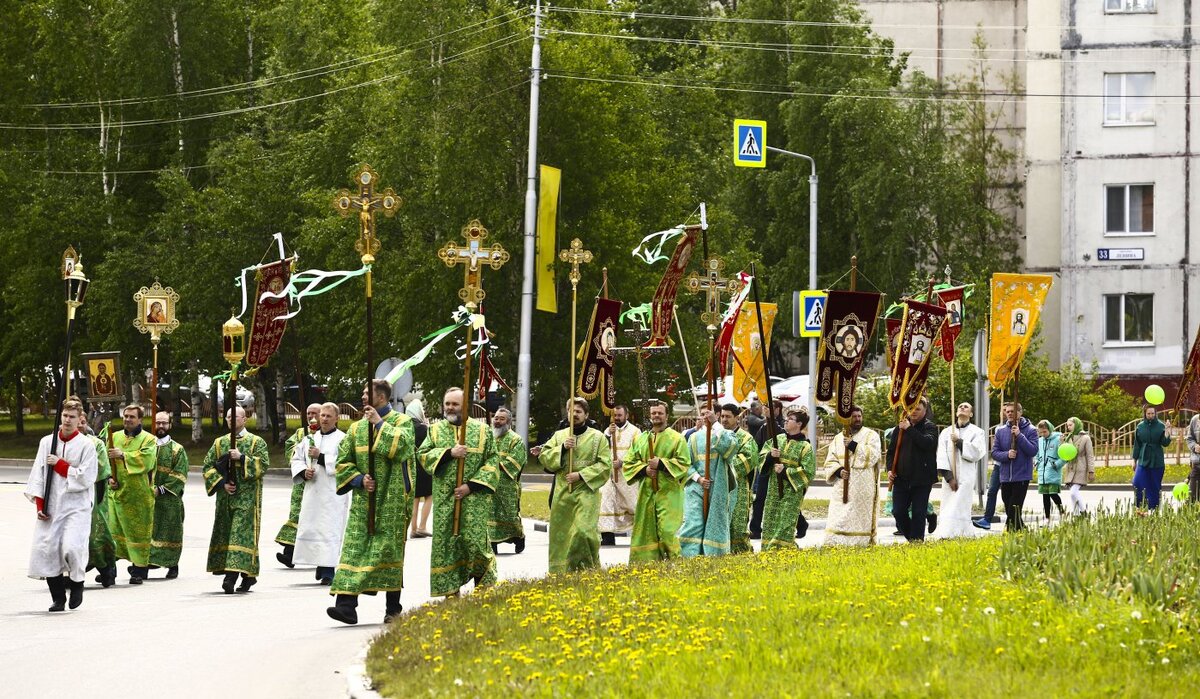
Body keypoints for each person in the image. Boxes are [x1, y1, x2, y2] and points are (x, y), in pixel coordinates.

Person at [327, 380, 416, 625]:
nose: (364, 396)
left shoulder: (401, 421)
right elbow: (343, 461)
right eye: (363, 392)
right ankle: (346, 606)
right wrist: (358, 479)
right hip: (364, 501)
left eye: (368, 393)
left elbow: (404, 447)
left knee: (388, 552)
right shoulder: (355, 429)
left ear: (382, 397)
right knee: (354, 550)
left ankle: (393, 609)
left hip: (392, 500)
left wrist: (378, 423)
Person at [417, 388, 499, 597]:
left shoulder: (483, 431)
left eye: (455, 404)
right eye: (447, 404)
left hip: (474, 499)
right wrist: (449, 453)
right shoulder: (434, 431)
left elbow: (492, 461)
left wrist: (470, 486)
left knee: (475, 544)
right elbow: (423, 455)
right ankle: (451, 594)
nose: (450, 408)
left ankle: (485, 592)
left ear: (465, 407)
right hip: (445, 499)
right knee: (447, 546)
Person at [26, 399, 97, 611]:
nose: (67, 420)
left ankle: (77, 583)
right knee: (48, 550)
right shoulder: (47, 442)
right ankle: (57, 598)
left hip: (76, 506)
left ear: (79, 420)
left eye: (72, 417)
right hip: (52, 506)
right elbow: (38, 474)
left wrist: (61, 465)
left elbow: (87, 477)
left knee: (72, 547)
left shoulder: (86, 445)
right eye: (64, 416)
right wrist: (40, 505)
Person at [535, 398, 612, 573]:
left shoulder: (598, 437)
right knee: (561, 536)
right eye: (571, 411)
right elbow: (544, 458)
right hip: (563, 493)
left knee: (583, 532)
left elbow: (605, 465)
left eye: (578, 411)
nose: (574, 414)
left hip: (586, 491)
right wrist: (562, 448)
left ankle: (585, 569)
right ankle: (562, 571)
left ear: (586, 414)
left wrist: (581, 475)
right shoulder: (559, 436)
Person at [202, 406, 271, 593]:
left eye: (236, 417)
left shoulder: (257, 442)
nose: (232, 420)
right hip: (225, 498)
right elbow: (207, 467)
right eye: (229, 417)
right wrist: (222, 483)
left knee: (240, 534)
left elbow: (262, 465)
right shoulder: (219, 443)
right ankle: (249, 575)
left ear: (245, 419)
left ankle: (230, 577)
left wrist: (241, 458)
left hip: (248, 499)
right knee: (227, 533)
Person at [622, 400, 691, 562]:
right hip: (646, 492)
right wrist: (645, 469)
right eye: (653, 413)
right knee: (646, 530)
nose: (656, 416)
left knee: (667, 529)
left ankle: (674, 561)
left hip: (669, 492)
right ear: (650, 416)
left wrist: (661, 464)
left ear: (667, 416)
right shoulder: (641, 439)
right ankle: (648, 562)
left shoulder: (677, 439)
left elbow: (684, 463)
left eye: (660, 413)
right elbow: (629, 463)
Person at [290, 403, 348, 585]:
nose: (323, 419)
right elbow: (296, 458)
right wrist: (302, 472)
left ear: (337, 418)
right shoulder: (309, 439)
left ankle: (328, 569)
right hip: (313, 491)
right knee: (313, 526)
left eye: (328, 416)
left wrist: (321, 457)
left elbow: (345, 463)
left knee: (329, 529)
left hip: (332, 493)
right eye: (322, 415)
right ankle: (320, 565)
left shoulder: (343, 439)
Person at [105, 404, 158, 584]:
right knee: (114, 532)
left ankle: (138, 570)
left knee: (138, 534)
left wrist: (123, 455)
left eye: (132, 417)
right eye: (125, 416)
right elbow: (105, 461)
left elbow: (148, 461)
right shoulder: (113, 437)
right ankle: (110, 573)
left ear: (140, 419)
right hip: (117, 494)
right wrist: (108, 478)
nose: (127, 419)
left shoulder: (149, 439)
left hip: (139, 496)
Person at [679, 407, 739, 557]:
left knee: (716, 523)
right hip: (696, 487)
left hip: (719, 486)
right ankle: (690, 556)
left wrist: (715, 423)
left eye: (709, 413)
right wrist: (698, 479)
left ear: (716, 414)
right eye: (703, 413)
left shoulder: (726, 433)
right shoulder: (693, 437)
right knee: (693, 522)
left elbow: (729, 449)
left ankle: (714, 555)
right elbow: (686, 462)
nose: (705, 416)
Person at [822, 406, 883, 546]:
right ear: (846, 419)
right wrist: (838, 471)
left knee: (858, 516)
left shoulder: (870, 435)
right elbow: (830, 460)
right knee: (839, 515)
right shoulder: (838, 438)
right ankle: (836, 542)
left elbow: (874, 456)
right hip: (841, 486)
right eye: (854, 416)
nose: (857, 419)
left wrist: (854, 445)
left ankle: (860, 542)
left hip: (862, 486)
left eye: (859, 416)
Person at [758, 407, 816, 551]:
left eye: (790, 419)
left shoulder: (805, 447)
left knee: (785, 522)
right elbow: (761, 458)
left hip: (791, 493)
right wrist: (770, 456)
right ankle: (768, 549)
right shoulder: (777, 440)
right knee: (771, 519)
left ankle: (781, 550)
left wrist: (786, 472)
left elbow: (809, 472)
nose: (786, 421)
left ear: (799, 424)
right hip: (773, 489)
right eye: (786, 418)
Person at [275, 403, 322, 569]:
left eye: (315, 413)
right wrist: (302, 466)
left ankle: (317, 556)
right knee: (297, 515)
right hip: (302, 482)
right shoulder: (301, 433)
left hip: (321, 483)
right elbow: (291, 451)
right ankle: (290, 553)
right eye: (309, 413)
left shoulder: (328, 432)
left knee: (316, 519)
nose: (311, 416)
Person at [887, 397, 939, 542]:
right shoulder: (900, 428)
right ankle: (913, 538)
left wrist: (909, 429)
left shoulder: (930, 427)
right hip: (901, 478)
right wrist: (890, 470)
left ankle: (917, 541)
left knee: (918, 512)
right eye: (911, 408)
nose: (914, 412)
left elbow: (927, 443)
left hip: (922, 479)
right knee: (898, 511)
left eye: (918, 409)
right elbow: (891, 452)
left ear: (925, 410)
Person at [932, 402, 988, 540]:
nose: (962, 408)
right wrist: (949, 477)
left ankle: (961, 533)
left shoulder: (977, 432)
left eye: (966, 407)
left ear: (971, 414)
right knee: (948, 503)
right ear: (956, 412)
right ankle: (946, 533)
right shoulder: (946, 432)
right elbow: (941, 455)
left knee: (960, 505)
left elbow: (977, 452)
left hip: (966, 476)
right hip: (949, 476)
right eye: (960, 407)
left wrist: (959, 442)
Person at [149, 411, 188, 579]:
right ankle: (147, 563)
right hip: (148, 498)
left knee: (170, 532)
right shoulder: (147, 446)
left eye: (164, 423)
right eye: (158, 423)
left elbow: (179, 474)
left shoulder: (177, 449)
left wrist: (161, 489)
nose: (161, 426)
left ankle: (172, 564)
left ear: (170, 425)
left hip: (169, 499)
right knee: (150, 531)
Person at [991, 402, 1038, 532]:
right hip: (1005, 476)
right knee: (1008, 507)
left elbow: (1033, 450)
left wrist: (1019, 435)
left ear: (1020, 412)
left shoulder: (1031, 430)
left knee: (1014, 507)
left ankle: (1010, 532)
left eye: (1013, 411)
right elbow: (994, 453)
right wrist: (1007, 454)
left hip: (1021, 475)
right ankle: (1022, 530)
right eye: (1008, 411)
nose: (1010, 413)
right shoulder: (1000, 431)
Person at [599, 404, 641, 547]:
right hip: (609, 475)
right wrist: (607, 435)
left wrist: (623, 462)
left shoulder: (635, 432)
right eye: (614, 416)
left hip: (627, 475)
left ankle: (638, 535)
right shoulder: (608, 430)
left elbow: (639, 452)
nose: (616, 418)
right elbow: (601, 448)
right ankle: (607, 536)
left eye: (619, 415)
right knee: (606, 503)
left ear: (626, 416)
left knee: (632, 504)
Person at [721, 404, 760, 553]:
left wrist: (722, 468)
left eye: (728, 416)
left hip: (738, 488)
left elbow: (748, 461)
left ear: (737, 418)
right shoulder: (717, 435)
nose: (724, 420)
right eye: (722, 416)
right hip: (718, 488)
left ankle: (741, 553)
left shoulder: (746, 438)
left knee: (737, 525)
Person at [81, 422, 116, 587]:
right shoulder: (59, 442)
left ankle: (106, 568)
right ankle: (68, 574)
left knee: (96, 535)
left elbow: (102, 469)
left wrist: (77, 472)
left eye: (81, 421)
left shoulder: (96, 443)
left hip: (94, 492)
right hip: (68, 495)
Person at [489, 407, 527, 554]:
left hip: (507, 486)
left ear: (509, 422)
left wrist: (494, 463)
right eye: (496, 418)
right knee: (489, 515)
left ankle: (519, 537)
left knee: (509, 515)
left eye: (501, 419)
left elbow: (516, 461)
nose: (497, 421)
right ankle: (492, 544)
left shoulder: (515, 440)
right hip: (489, 484)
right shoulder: (489, 437)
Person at [748, 399, 785, 538]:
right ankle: (755, 529)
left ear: (777, 410)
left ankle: (800, 524)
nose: (765, 410)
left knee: (781, 497)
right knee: (759, 499)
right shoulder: (764, 427)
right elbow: (757, 445)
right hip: (765, 467)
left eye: (770, 407)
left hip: (779, 469)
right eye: (765, 407)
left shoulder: (783, 425)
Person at [974, 403, 1013, 530]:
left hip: (1011, 467)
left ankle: (1012, 520)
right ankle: (987, 519)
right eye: (1003, 411)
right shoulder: (998, 429)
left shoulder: (1016, 428)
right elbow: (995, 449)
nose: (1004, 413)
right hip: (998, 466)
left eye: (1006, 411)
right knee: (992, 491)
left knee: (1008, 495)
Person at [1132, 405, 1172, 511]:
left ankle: (1154, 509)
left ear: (1155, 413)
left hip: (1157, 460)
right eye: (1148, 413)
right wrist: (1134, 460)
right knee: (1137, 482)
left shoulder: (1160, 426)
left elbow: (1165, 443)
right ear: (1145, 414)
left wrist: (1167, 431)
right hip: (1143, 459)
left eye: (1152, 413)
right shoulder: (1140, 426)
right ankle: (1140, 507)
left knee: (1154, 486)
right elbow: (1137, 444)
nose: (1150, 416)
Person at [406, 398, 433, 538]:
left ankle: (413, 528)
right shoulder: (423, 428)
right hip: (424, 465)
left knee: (415, 498)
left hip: (411, 466)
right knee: (429, 495)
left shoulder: (405, 427)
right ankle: (422, 526)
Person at [1062, 417, 1096, 515]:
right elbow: (1065, 453)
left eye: (1070, 425)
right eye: (1067, 425)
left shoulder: (1085, 438)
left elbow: (1090, 456)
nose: (1068, 427)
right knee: (1072, 494)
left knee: (1073, 491)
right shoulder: (1068, 438)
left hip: (1081, 467)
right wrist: (1061, 443)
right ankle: (1076, 515)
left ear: (1076, 424)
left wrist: (1091, 471)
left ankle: (1084, 512)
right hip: (1070, 468)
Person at [1035, 420, 1065, 521]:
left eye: (1045, 432)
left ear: (1050, 429)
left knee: (1053, 493)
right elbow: (1037, 454)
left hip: (1053, 471)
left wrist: (1056, 465)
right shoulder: (1040, 441)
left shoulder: (1058, 440)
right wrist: (1036, 462)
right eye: (1041, 432)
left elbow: (1064, 456)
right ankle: (1047, 517)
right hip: (1042, 472)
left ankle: (1062, 512)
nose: (1043, 434)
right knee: (1045, 496)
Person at [1186, 411, 1200, 505]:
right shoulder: (1195, 419)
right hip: (1197, 464)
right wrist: (1194, 446)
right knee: (1192, 498)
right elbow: (1189, 438)